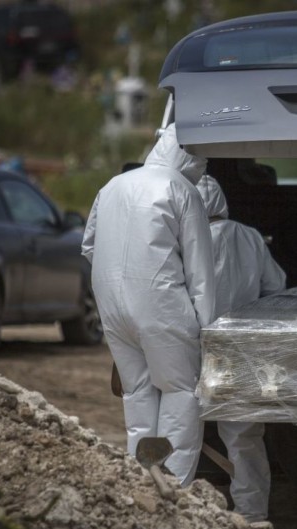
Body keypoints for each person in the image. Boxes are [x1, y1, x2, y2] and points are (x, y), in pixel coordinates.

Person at [81, 124, 215, 486]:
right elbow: (199, 271)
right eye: (201, 160)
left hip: (111, 305)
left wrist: (115, 285)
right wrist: (207, 331)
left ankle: (141, 483)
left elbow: (89, 245)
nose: (202, 166)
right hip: (163, 305)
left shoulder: (112, 185)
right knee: (180, 392)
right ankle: (172, 490)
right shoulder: (182, 189)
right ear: (188, 155)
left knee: (137, 394)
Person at [196, 173, 287, 522]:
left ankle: (176, 505)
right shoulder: (250, 236)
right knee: (244, 437)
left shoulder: (186, 237)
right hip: (241, 347)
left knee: (182, 427)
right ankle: (252, 515)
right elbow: (276, 287)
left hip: (192, 344)